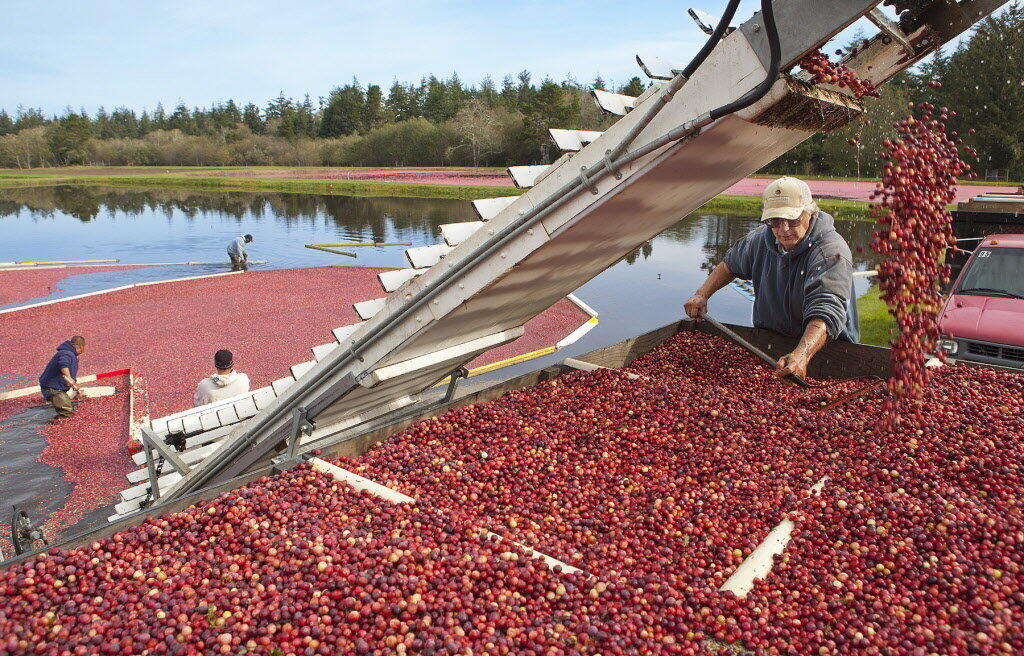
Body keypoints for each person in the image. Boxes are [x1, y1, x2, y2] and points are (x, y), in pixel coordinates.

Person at [684, 177, 857, 379]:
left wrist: (802, 354)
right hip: (770, 341)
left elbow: (826, 310)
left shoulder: (830, 252)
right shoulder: (760, 239)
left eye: (792, 220)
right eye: (774, 221)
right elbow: (730, 264)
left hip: (824, 349)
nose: (783, 230)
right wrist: (701, 294)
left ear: (809, 212)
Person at [38, 336, 86, 419]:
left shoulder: (70, 353)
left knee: (71, 406)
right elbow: (63, 365)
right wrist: (69, 378)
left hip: (57, 387)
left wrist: (74, 386)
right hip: (53, 389)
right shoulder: (66, 353)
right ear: (81, 346)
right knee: (66, 413)